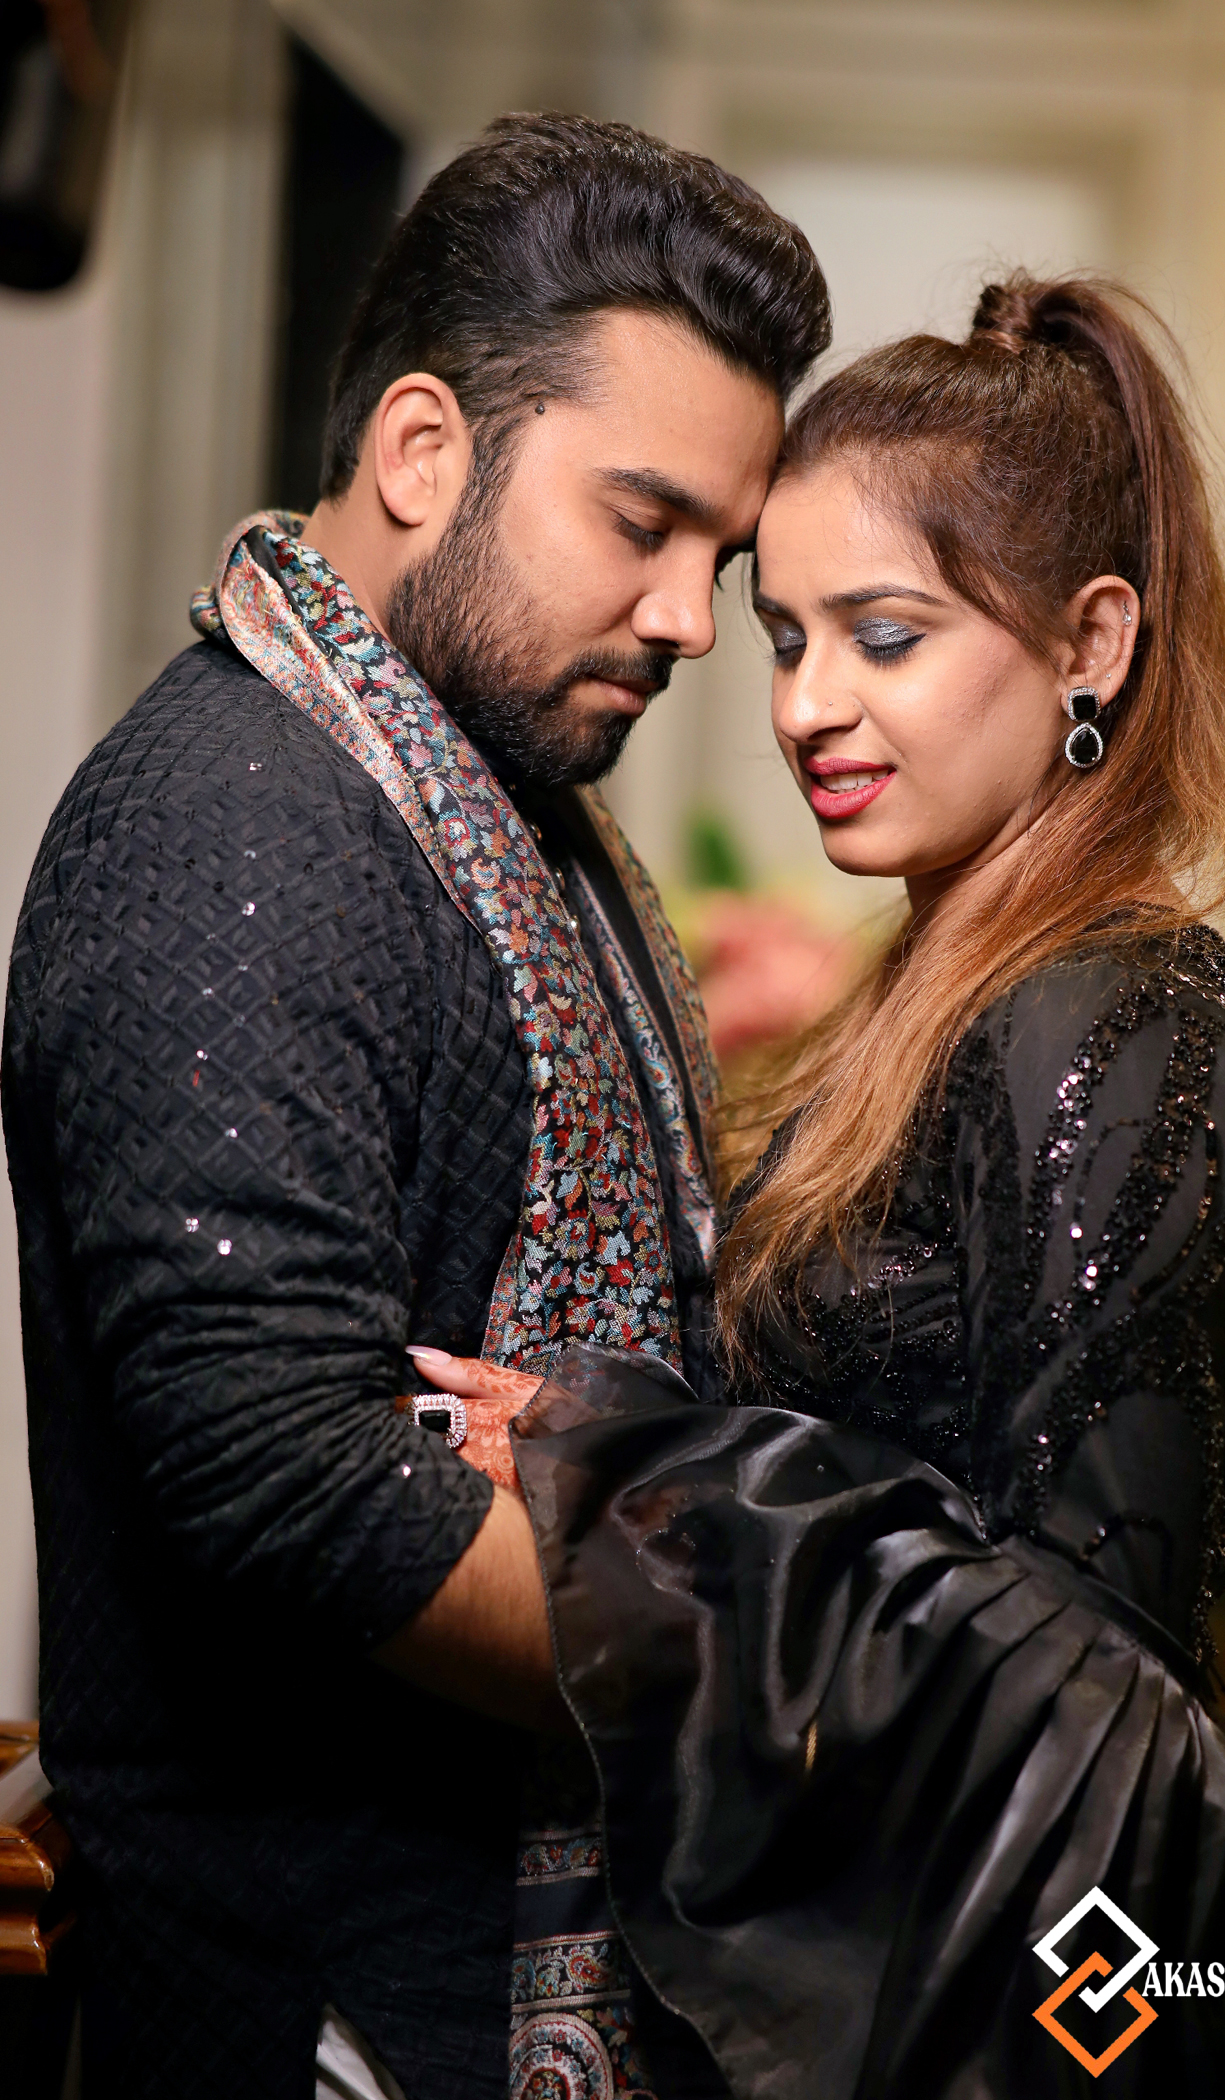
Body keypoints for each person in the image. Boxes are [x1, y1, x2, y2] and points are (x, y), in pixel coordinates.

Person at [419, 275, 1225, 2096]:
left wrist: (631, 1467)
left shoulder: (1126, 1017)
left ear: (1094, 643)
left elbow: (1082, 1686)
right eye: (785, 637)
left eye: (886, 636)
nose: (806, 705)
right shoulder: (948, 998)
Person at [3, 113, 829, 2099]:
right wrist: (764, 1678)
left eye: (719, 558)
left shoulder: (498, 812)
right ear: (422, 449)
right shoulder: (237, 825)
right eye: (641, 524)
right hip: (327, 2008)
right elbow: (282, 1472)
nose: (690, 619)